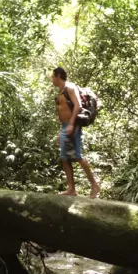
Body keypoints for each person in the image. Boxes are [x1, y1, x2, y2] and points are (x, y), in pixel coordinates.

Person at [51, 67, 100, 198]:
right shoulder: (61, 91)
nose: (51, 79)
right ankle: (71, 189)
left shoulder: (70, 88)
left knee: (77, 156)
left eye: (52, 76)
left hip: (73, 125)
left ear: (58, 75)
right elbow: (63, 112)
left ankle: (94, 184)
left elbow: (77, 105)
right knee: (65, 158)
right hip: (66, 126)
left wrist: (72, 124)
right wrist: (61, 130)